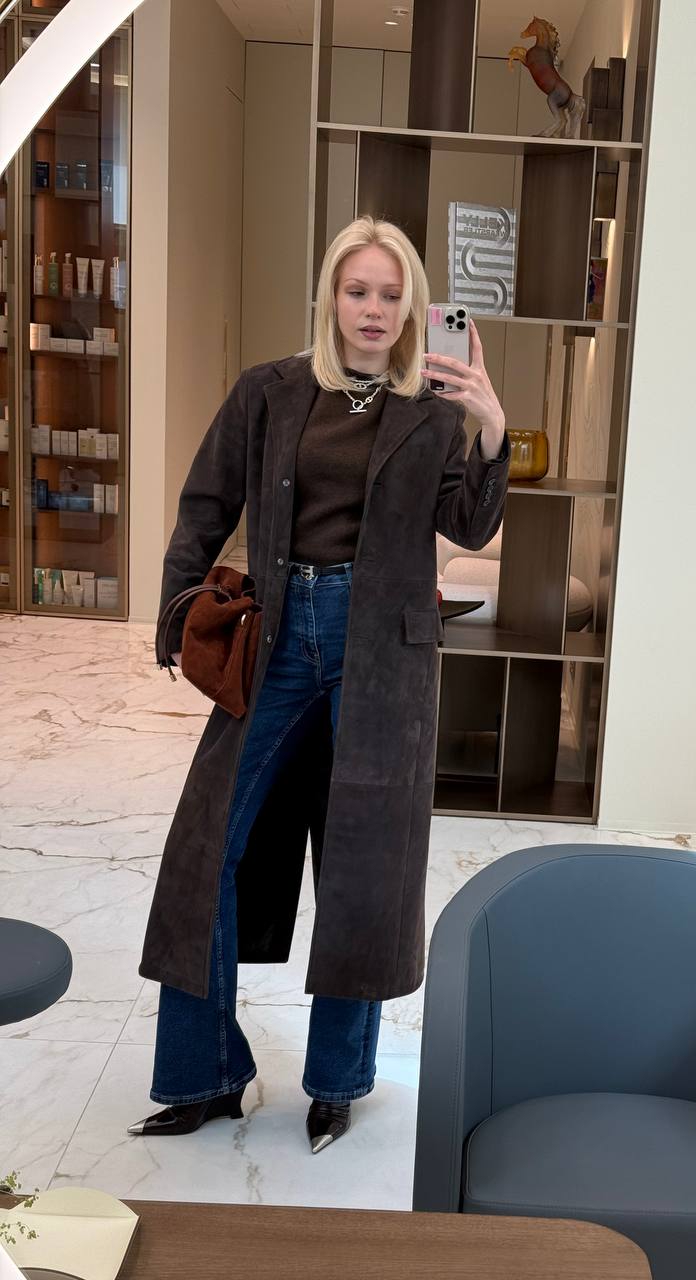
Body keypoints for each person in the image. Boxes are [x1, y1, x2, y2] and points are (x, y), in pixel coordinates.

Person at [129, 216, 511, 1153]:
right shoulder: (269, 390)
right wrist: (178, 609)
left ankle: (337, 1083)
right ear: (331, 297)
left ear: (412, 307)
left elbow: (468, 523)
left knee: (362, 864)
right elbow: (205, 502)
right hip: (276, 634)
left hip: (381, 651)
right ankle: (204, 1073)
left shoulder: (431, 411)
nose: (374, 309)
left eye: (391, 294)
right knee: (206, 844)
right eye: (358, 290)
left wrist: (491, 426)